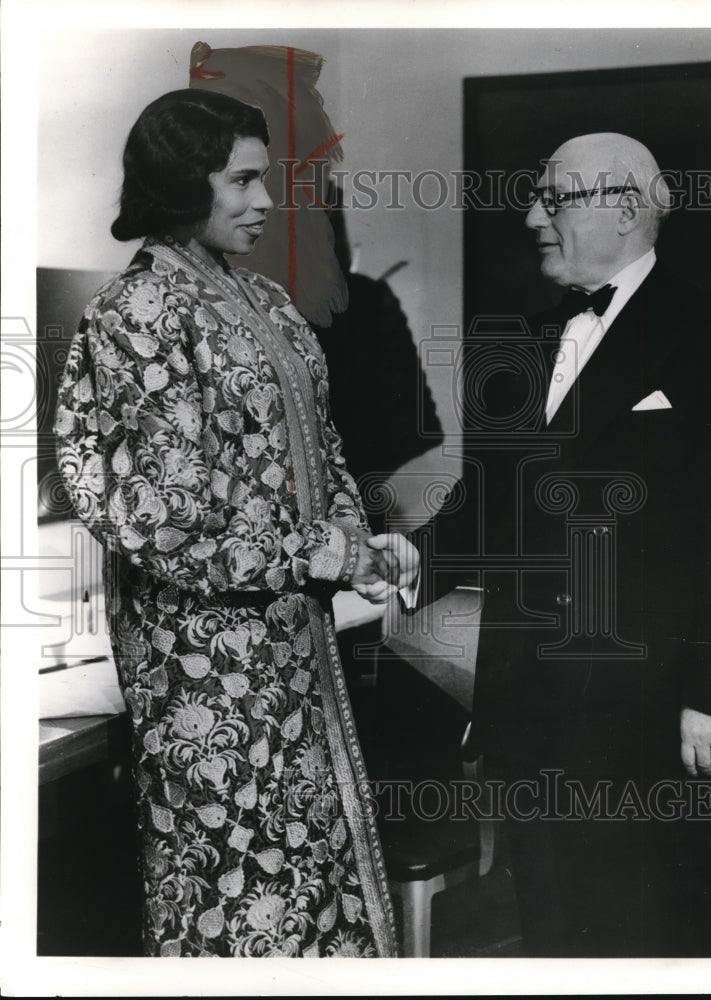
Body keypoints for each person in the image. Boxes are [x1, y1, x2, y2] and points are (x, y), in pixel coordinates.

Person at [362, 133, 711, 957]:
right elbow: (488, 507)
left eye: (555, 197)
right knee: (552, 925)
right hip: (526, 699)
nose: (531, 214)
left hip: (650, 707)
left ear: (624, 209)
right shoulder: (520, 341)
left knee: (657, 923)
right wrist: (414, 559)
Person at [54, 88, 398, 958]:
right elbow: (153, 518)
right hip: (205, 672)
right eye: (241, 181)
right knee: (237, 887)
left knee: (311, 877)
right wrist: (311, 551)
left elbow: (324, 449)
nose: (264, 201)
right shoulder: (134, 314)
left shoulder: (266, 302)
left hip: (291, 652)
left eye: (268, 178)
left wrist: (353, 541)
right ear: (180, 184)